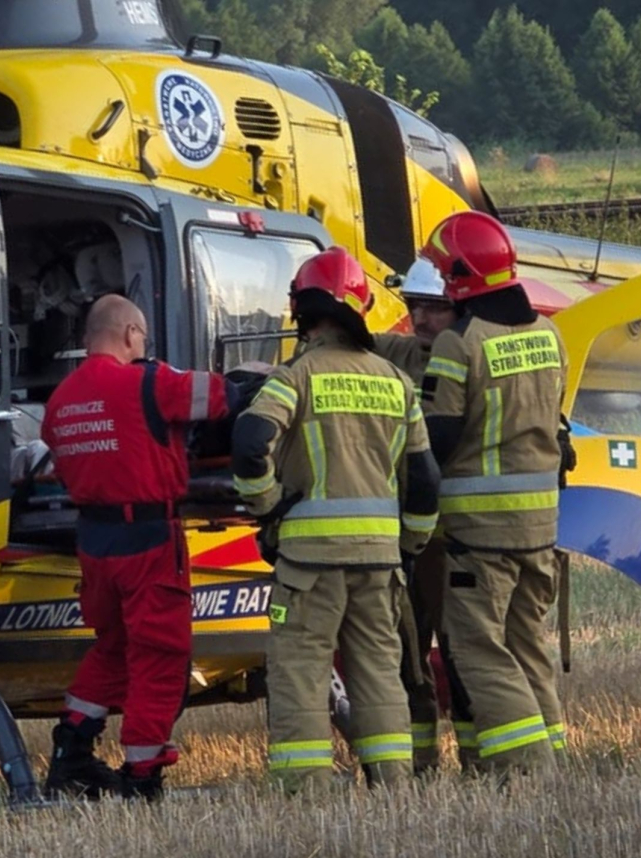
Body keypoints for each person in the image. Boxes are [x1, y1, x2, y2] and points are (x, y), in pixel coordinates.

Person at [231, 247, 441, 790]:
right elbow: (424, 481)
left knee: (300, 671)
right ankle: (394, 781)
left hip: (308, 562)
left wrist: (267, 505)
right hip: (380, 562)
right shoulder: (395, 381)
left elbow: (251, 441)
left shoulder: (294, 377)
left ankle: (308, 791)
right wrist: (411, 546)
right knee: (377, 672)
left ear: (302, 309)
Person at [40, 294, 238, 801]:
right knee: (159, 654)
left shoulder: (60, 402)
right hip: (149, 538)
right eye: (143, 337)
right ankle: (142, 774)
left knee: (113, 646)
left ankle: (72, 749)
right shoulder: (148, 381)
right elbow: (221, 398)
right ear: (130, 333)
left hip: (95, 542)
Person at [419, 210, 569, 774]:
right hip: (541, 526)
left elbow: (441, 436)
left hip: (480, 531)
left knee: (479, 647)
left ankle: (527, 767)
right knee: (527, 642)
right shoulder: (548, 334)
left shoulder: (460, 346)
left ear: (460, 278)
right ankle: (553, 752)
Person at [372, 258, 460, 773]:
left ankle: (480, 762)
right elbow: (345, 349)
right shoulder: (396, 352)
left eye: (436, 308)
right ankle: (421, 764)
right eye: (415, 307)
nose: (423, 320)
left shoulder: (471, 356)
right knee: (405, 658)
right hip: (404, 539)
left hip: (453, 539)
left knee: (463, 654)